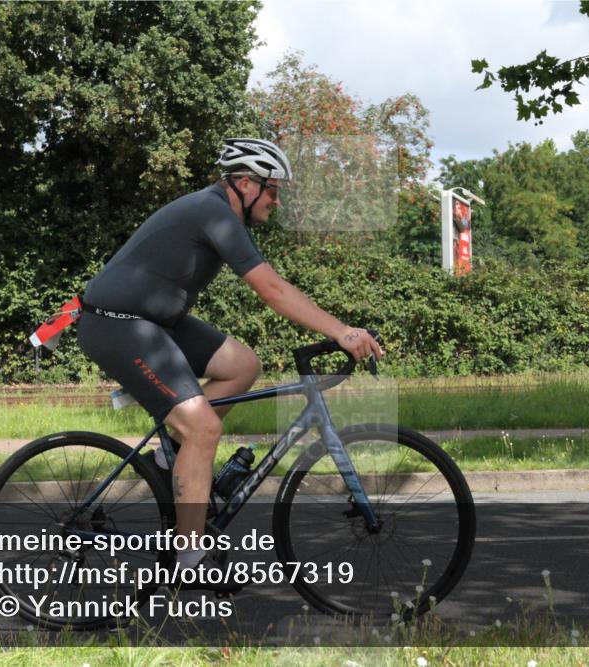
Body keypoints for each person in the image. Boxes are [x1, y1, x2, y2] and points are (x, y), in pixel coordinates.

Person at [76, 138, 383, 591]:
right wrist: (341, 331)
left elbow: (273, 288)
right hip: (117, 324)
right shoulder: (214, 210)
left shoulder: (220, 210)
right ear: (245, 183)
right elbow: (272, 290)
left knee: (242, 365)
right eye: (273, 191)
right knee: (204, 427)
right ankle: (189, 557)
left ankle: (170, 458)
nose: (276, 202)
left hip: (157, 321)